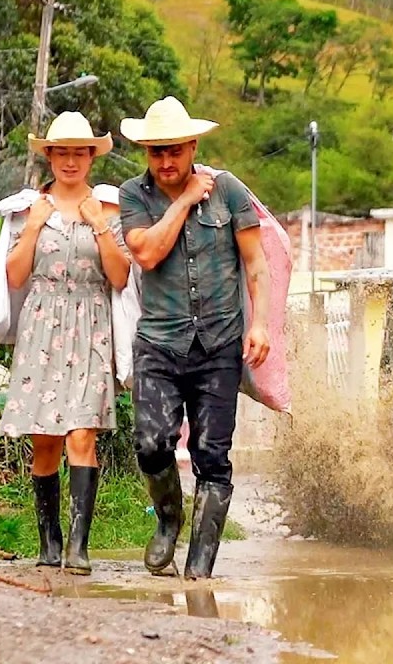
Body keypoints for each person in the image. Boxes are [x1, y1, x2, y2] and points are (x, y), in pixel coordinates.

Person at [117, 96, 271, 580]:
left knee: (212, 456)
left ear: (193, 147)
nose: (165, 161)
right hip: (159, 344)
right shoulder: (133, 196)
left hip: (219, 344)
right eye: (156, 152)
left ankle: (199, 570)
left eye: (175, 150)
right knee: (151, 444)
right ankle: (168, 519)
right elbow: (146, 253)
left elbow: (256, 263)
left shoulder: (228, 191)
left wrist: (260, 323)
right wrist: (185, 200)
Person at [0, 111, 132, 575]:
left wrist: (99, 226)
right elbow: (15, 277)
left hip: (91, 325)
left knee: (82, 432)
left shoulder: (109, 210)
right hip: (42, 326)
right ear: (50, 157)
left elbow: (120, 276)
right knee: (46, 440)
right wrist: (35, 225)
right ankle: (49, 540)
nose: (71, 161)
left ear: (92, 157)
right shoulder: (28, 209)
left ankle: (78, 545)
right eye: (62, 153)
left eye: (80, 152)